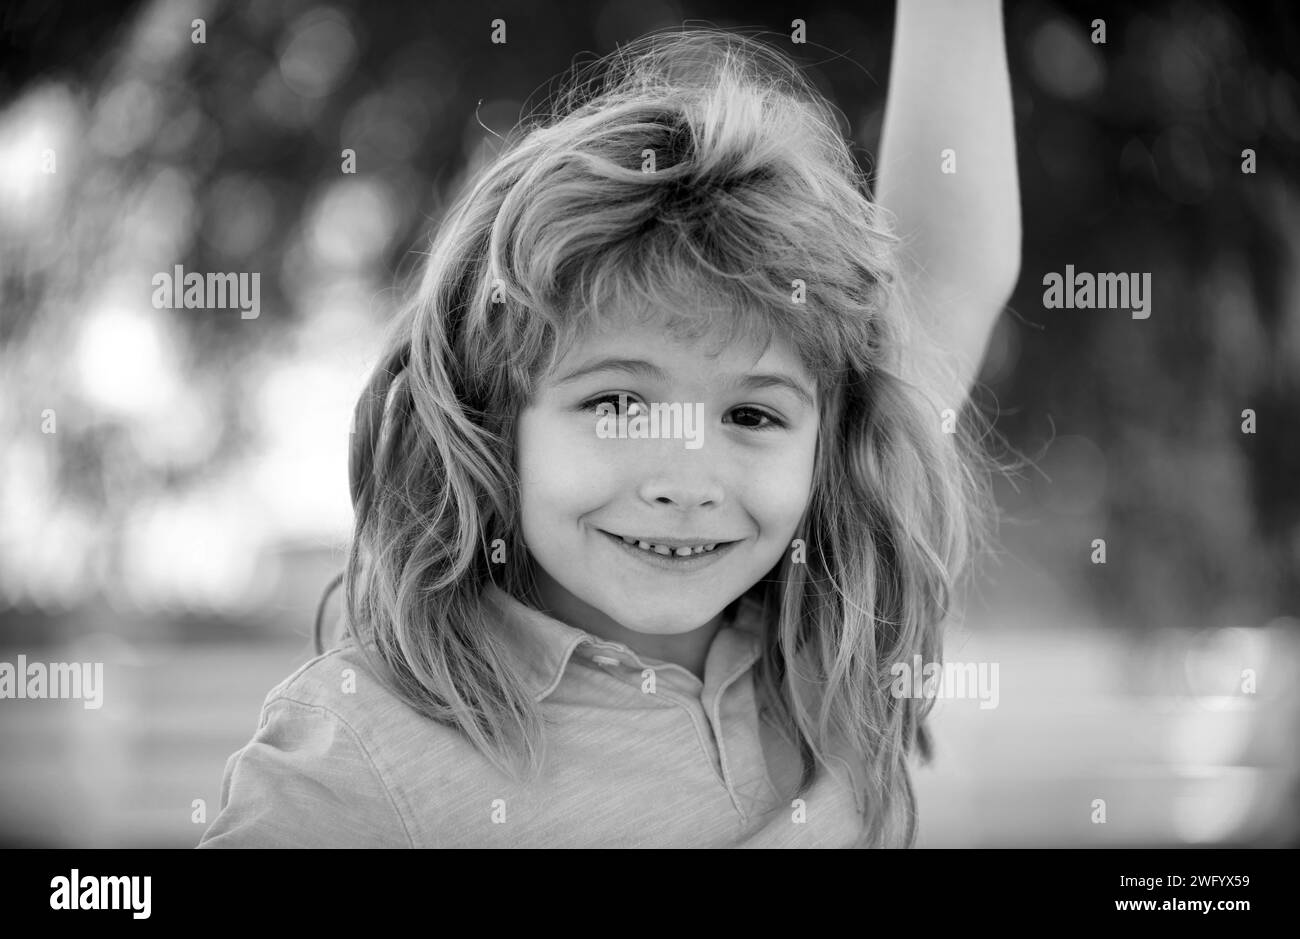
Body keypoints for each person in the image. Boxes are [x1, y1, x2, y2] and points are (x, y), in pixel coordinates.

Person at [199, 6, 1020, 849]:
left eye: (752, 414)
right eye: (619, 405)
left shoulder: (827, 650)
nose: (686, 481)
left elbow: (948, 262)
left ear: (827, 442)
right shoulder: (360, 748)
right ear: (494, 421)